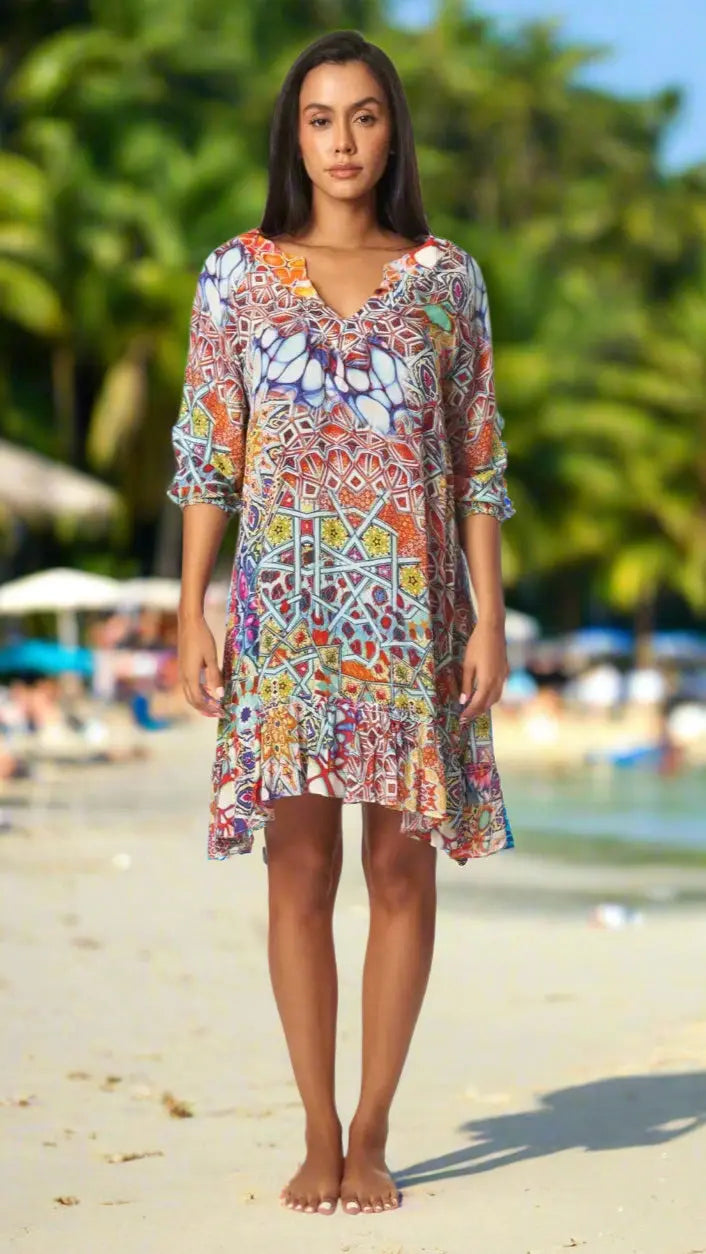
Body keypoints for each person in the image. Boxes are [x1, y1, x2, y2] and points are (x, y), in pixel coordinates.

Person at [167, 30, 516, 1218]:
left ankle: (374, 1129)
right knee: (300, 868)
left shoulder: (447, 280)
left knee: (402, 866)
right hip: (286, 616)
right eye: (320, 119)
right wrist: (189, 611)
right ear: (292, 136)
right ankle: (315, 1129)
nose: (343, 142)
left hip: (412, 611)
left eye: (364, 117)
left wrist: (490, 616)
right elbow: (209, 452)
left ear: (393, 130)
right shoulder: (237, 275)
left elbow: (476, 461)